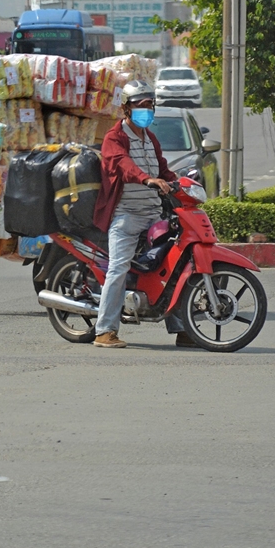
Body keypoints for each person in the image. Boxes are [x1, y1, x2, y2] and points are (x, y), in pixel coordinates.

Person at [91, 80, 196, 349]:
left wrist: (182, 184)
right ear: (126, 109)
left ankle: (184, 329)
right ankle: (104, 331)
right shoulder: (115, 138)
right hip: (127, 215)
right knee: (118, 268)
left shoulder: (151, 139)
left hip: (154, 216)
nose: (147, 110)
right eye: (141, 106)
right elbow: (123, 166)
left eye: (150, 105)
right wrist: (147, 179)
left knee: (177, 266)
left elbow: (163, 170)